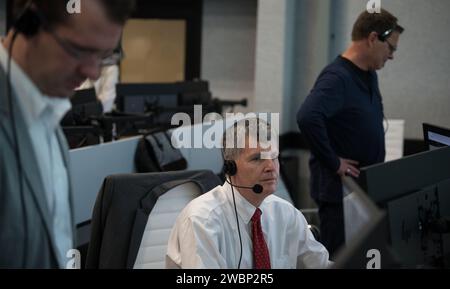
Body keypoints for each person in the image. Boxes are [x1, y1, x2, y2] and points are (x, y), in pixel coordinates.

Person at [0, 0, 135, 268]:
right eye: (80, 50)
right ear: (30, 23)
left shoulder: (51, 113)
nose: (92, 72)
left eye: (104, 57)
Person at [296, 9, 404, 257]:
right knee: (343, 260)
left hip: (361, 191)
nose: (392, 56)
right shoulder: (337, 77)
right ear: (373, 38)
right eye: (391, 48)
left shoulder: (368, 74)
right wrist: (334, 162)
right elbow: (307, 116)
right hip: (340, 195)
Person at [166, 118, 331, 269]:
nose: (271, 167)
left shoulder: (286, 213)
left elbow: (320, 264)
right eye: (257, 158)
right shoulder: (202, 219)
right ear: (230, 167)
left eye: (274, 157)